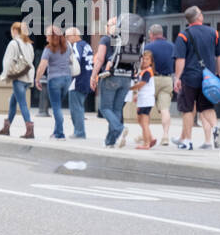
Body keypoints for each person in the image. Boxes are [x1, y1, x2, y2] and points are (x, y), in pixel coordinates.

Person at [172, 6, 220, 151]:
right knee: (207, 107)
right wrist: (218, 73)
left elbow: (180, 59)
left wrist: (177, 78)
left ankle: (188, 141)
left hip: (189, 78)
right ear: (199, 17)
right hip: (207, 78)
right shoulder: (213, 33)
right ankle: (216, 128)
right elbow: (219, 55)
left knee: (188, 109)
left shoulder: (183, 35)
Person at [91, 13, 142, 148]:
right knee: (117, 109)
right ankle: (110, 141)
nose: (106, 27)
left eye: (108, 25)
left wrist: (93, 76)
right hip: (127, 77)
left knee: (105, 108)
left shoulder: (106, 39)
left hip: (111, 76)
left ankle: (119, 127)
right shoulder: (132, 41)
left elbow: (100, 59)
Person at [0, 21, 35, 138]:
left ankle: (29, 128)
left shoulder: (13, 43)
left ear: (15, 31)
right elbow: (31, 60)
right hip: (27, 77)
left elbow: (8, 60)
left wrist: (4, 75)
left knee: (22, 103)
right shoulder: (29, 44)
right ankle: (6, 128)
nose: (11, 33)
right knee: (13, 101)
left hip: (19, 77)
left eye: (12, 30)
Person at [33, 25, 72, 140]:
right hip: (67, 79)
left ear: (52, 36)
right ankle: (56, 132)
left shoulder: (48, 49)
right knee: (58, 105)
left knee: (56, 108)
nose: (45, 37)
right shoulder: (67, 48)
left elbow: (42, 66)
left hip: (54, 79)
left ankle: (60, 134)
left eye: (47, 35)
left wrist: (37, 79)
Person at [146, 23, 175, 146]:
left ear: (151, 35)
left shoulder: (148, 47)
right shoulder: (172, 46)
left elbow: (144, 65)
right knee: (165, 109)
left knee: (145, 109)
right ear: (162, 34)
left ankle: (147, 135)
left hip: (152, 79)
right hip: (167, 80)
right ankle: (165, 136)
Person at [65, 26, 91, 139]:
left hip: (78, 80)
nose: (66, 39)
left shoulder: (76, 46)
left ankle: (79, 132)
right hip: (87, 79)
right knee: (79, 106)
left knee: (76, 107)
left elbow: (75, 61)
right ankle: (79, 131)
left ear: (75, 36)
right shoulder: (86, 45)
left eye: (67, 36)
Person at [132, 50, 157, 149]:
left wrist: (130, 89)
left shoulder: (148, 71)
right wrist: (137, 95)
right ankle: (150, 138)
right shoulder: (142, 71)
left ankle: (146, 143)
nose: (145, 61)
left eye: (147, 59)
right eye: (143, 59)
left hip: (146, 100)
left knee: (144, 122)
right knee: (140, 120)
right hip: (142, 99)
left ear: (151, 61)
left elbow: (142, 84)